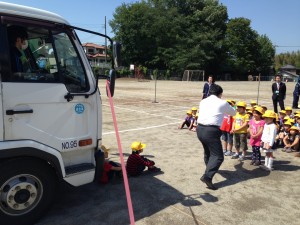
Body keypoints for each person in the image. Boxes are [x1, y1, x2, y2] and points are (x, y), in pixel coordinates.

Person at [196, 84, 236, 190]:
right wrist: (231, 105)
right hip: (211, 131)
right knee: (218, 156)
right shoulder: (222, 102)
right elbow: (233, 112)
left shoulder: (203, 101)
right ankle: (207, 176)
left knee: (208, 152)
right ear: (220, 94)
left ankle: (208, 169)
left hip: (200, 129)